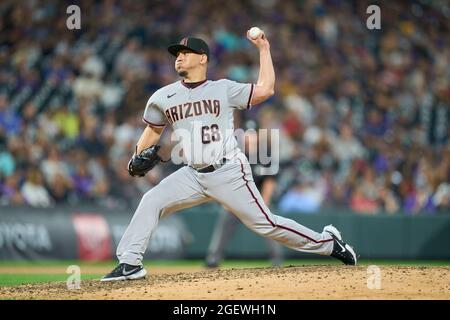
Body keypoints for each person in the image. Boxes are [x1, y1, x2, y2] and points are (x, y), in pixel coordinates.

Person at [102, 31, 357, 281]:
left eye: (185, 52)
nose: (178, 57)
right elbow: (153, 130)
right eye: (176, 54)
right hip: (192, 174)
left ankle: (329, 243)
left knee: (266, 224)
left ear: (203, 58)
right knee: (151, 200)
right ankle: (130, 263)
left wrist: (264, 49)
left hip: (229, 171)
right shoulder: (163, 96)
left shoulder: (223, 89)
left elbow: (266, 89)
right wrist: (135, 158)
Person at [205, 130, 283, 268]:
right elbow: (227, 180)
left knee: (270, 222)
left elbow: (269, 181)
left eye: (252, 134)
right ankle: (213, 258)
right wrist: (227, 201)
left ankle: (276, 259)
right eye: (246, 134)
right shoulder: (235, 154)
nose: (249, 137)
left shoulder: (264, 155)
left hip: (258, 199)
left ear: (258, 136)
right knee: (225, 220)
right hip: (238, 199)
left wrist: (264, 203)